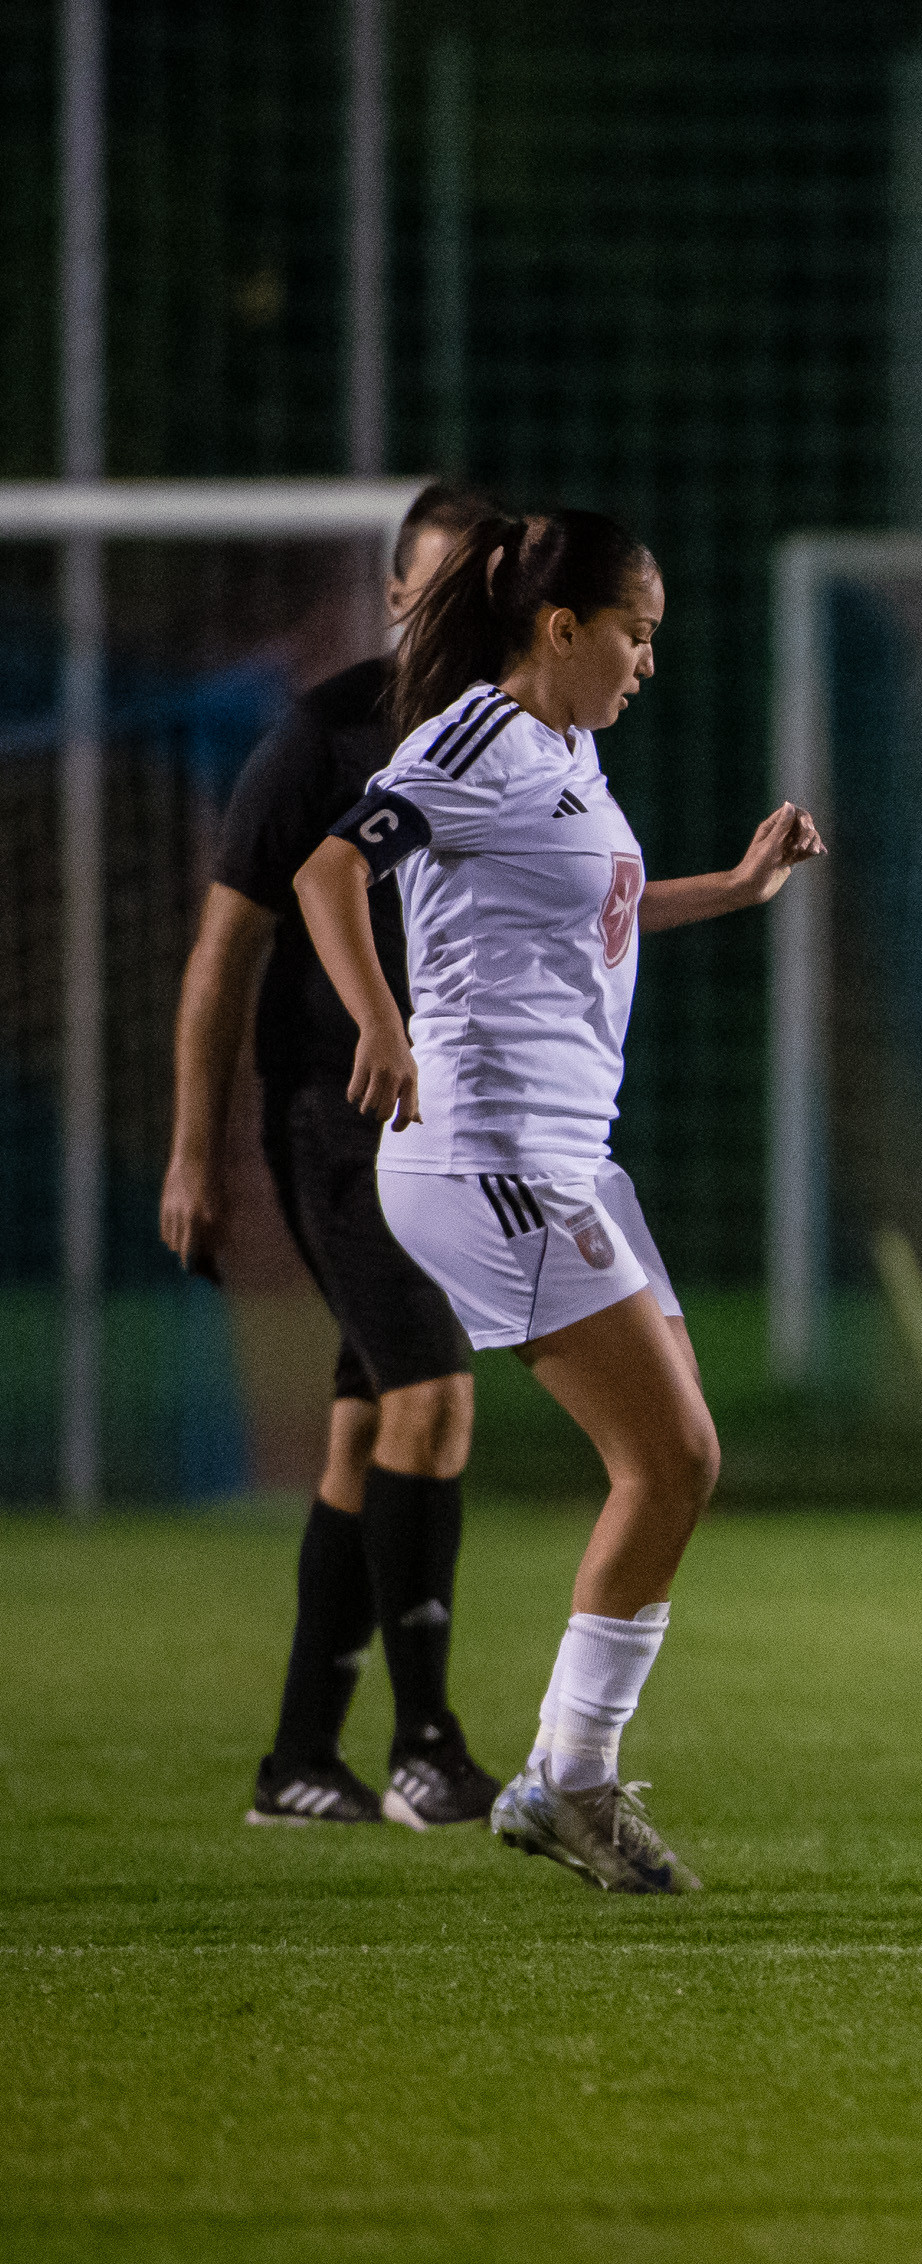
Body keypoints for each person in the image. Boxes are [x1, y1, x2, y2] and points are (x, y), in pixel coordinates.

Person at [295, 507, 825, 1896]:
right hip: (487, 1155)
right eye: (636, 634)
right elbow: (328, 869)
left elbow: (593, 911)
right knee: (673, 1460)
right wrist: (383, 1023)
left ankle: (568, 1771)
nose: (649, 661)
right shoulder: (472, 738)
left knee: (677, 1452)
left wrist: (738, 889)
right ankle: (568, 1778)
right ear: (561, 625)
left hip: (570, 1156)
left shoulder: (569, 754)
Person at [164, 479, 507, 1829]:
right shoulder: (328, 734)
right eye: (443, 585)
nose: (465, 609)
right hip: (334, 1121)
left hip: (452, 1131)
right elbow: (222, 956)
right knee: (434, 1395)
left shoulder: (516, 739)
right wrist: (195, 1153)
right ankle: (427, 1746)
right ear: (399, 594)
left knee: (368, 1431)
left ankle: (300, 1759)